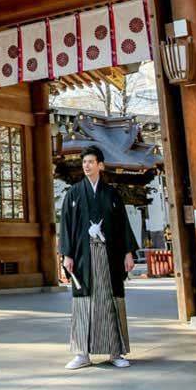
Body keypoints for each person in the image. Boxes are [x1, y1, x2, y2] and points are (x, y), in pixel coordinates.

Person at [59, 144, 138, 370]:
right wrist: (66, 254)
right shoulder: (74, 194)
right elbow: (66, 226)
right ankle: (82, 353)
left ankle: (115, 351)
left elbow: (122, 224)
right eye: (84, 162)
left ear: (100, 165)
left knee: (110, 299)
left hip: (109, 254)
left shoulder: (112, 194)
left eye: (91, 162)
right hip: (83, 254)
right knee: (84, 302)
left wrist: (128, 252)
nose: (86, 166)